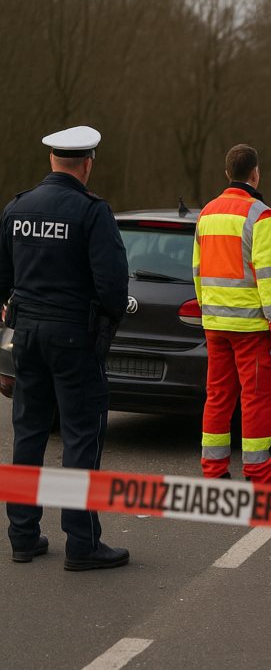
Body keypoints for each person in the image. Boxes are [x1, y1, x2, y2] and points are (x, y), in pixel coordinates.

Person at [1, 126, 130, 570]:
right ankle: (82, 543)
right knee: (80, 437)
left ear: (52, 161)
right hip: (74, 338)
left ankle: (23, 536)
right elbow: (113, 288)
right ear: (87, 163)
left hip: (26, 336)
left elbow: (3, 281)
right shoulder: (92, 212)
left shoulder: (17, 207)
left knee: (29, 434)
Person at [193, 144, 271, 484]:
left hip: (215, 325)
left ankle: (214, 471)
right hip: (252, 328)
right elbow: (270, 277)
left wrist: (207, 311)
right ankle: (258, 474)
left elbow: (197, 270)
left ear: (227, 174)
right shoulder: (260, 216)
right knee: (257, 399)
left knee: (217, 397)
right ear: (255, 173)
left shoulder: (206, 214)